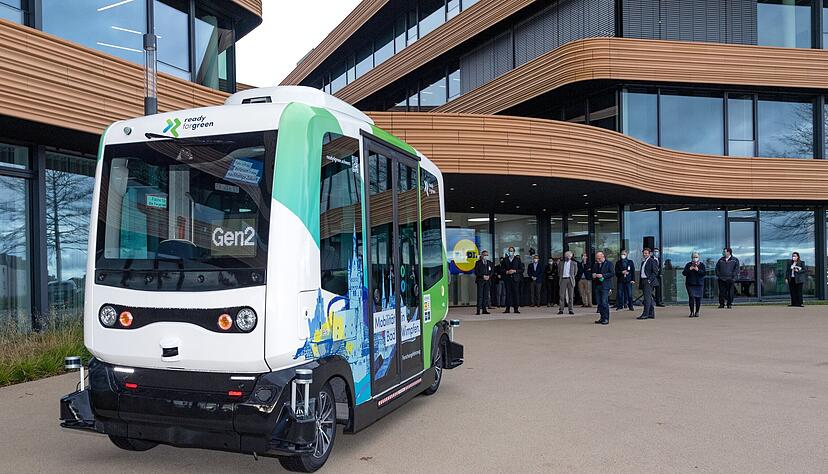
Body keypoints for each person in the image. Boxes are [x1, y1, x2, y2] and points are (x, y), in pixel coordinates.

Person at [592, 252, 615, 325]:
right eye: (597, 258)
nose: (598, 260)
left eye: (599, 258)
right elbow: (593, 272)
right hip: (597, 285)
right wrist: (594, 275)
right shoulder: (596, 264)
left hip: (605, 286)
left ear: (603, 257)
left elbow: (612, 273)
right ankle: (602, 317)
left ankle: (606, 318)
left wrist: (603, 275)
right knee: (599, 303)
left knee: (604, 302)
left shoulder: (609, 264)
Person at [637, 248, 659, 320]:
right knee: (649, 298)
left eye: (646, 253)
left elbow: (655, 272)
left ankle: (645, 314)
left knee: (647, 299)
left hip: (648, 281)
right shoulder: (643, 262)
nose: (644, 254)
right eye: (644, 253)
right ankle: (651, 313)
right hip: (644, 280)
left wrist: (649, 280)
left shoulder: (652, 261)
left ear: (649, 254)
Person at [682, 252, 706, 318]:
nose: (695, 258)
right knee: (691, 297)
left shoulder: (702, 265)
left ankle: (697, 311)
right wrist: (690, 269)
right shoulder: (688, 264)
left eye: (696, 257)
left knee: (698, 298)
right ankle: (691, 312)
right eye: (694, 257)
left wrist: (698, 270)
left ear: (699, 257)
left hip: (699, 284)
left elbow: (704, 273)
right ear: (691, 258)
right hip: (690, 284)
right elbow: (684, 273)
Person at [501, 246, 524, 314]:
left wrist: (515, 271)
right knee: (508, 294)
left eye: (511, 251)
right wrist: (507, 272)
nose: (510, 252)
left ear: (514, 252)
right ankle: (507, 308)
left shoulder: (517, 259)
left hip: (515, 279)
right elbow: (501, 269)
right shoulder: (505, 260)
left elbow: (521, 269)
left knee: (515, 294)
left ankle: (516, 309)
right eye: (509, 251)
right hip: (507, 279)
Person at [473, 250, 494, 315]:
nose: (485, 256)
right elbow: (476, 272)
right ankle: (478, 310)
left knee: (486, 296)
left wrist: (489, 276)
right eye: (484, 255)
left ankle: (484, 310)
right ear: (481, 255)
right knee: (480, 296)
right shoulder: (478, 263)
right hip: (480, 281)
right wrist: (483, 276)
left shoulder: (489, 262)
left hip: (487, 281)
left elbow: (492, 271)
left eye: (487, 255)